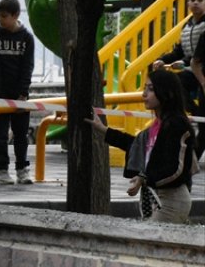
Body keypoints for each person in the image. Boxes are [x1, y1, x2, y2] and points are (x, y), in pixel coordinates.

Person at [85, 69, 198, 224]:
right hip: (155, 198)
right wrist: (103, 130)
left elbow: (174, 168)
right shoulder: (157, 126)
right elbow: (136, 145)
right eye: (145, 88)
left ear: (167, 93)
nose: (144, 94)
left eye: (150, 89)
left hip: (171, 202)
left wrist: (144, 178)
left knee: (154, 244)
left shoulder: (176, 125)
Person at [0, 0, 37, 185]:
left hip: (20, 95)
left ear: (16, 15)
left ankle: (22, 169)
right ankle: (1, 170)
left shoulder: (27, 38)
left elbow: (27, 66)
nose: (0, 20)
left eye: (4, 16)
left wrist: (23, 92)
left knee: (21, 133)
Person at [152, 0, 205, 115]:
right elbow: (179, 52)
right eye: (193, 0)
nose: (196, 2)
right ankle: (194, 112)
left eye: (200, 0)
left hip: (203, 68)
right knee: (174, 82)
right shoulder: (186, 27)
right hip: (192, 70)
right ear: (188, 4)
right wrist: (161, 60)